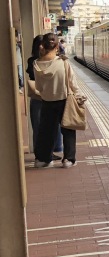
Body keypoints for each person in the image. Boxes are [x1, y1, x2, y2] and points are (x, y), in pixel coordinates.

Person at [27, 33, 79, 167]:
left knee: (47, 131)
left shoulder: (36, 64)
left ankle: (44, 159)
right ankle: (68, 159)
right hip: (64, 100)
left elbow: (38, 87)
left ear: (43, 46)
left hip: (47, 102)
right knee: (68, 129)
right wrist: (79, 96)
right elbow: (72, 83)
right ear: (57, 47)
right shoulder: (63, 62)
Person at [25, 34, 63, 161]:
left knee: (41, 127)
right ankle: (42, 154)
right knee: (44, 127)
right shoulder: (35, 61)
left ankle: (46, 153)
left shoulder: (35, 61)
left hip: (39, 98)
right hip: (43, 97)